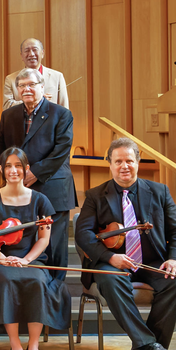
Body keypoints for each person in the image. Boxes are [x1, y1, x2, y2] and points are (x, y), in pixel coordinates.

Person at [75, 138, 176, 350]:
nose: (124, 166)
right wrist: (110, 257)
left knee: (175, 281)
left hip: (153, 262)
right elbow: (83, 234)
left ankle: (147, 345)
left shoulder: (160, 191)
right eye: (118, 161)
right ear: (110, 164)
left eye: (129, 160)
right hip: (111, 263)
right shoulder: (95, 195)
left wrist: (173, 258)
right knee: (110, 279)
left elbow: (175, 230)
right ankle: (149, 344)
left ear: (138, 162)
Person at [0, 147, 71, 350]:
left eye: (18, 166)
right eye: (8, 166)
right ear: (1, 169)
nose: (13, 170)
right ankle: (15, 343)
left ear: (26, 168)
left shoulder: (40, 200)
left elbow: (43, 239)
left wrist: (27, 260)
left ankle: (33, 344)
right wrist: (0, 258)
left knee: (36, 280)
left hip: (31, 259)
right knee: (7, 280)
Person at [0, 68, 75, 281]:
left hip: (53, 189)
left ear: (42, 87)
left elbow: (62, 149)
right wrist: (14, 171)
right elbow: (0, 143)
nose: (26, 89)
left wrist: (34, 173)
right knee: (25, 247)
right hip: (19, 194)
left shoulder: (61, 114)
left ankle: (55, 296)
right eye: (22, 86)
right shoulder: (9, 115)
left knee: (55, 251)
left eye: (31, 84)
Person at [2, 38, 69, 110]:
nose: (31, 54)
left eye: (35, 50)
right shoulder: (11, 79)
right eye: (27, 51)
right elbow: (7, 107)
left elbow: (64, 108)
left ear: (42, 53)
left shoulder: (57, 77)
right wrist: (34, 101)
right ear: (21, 56)